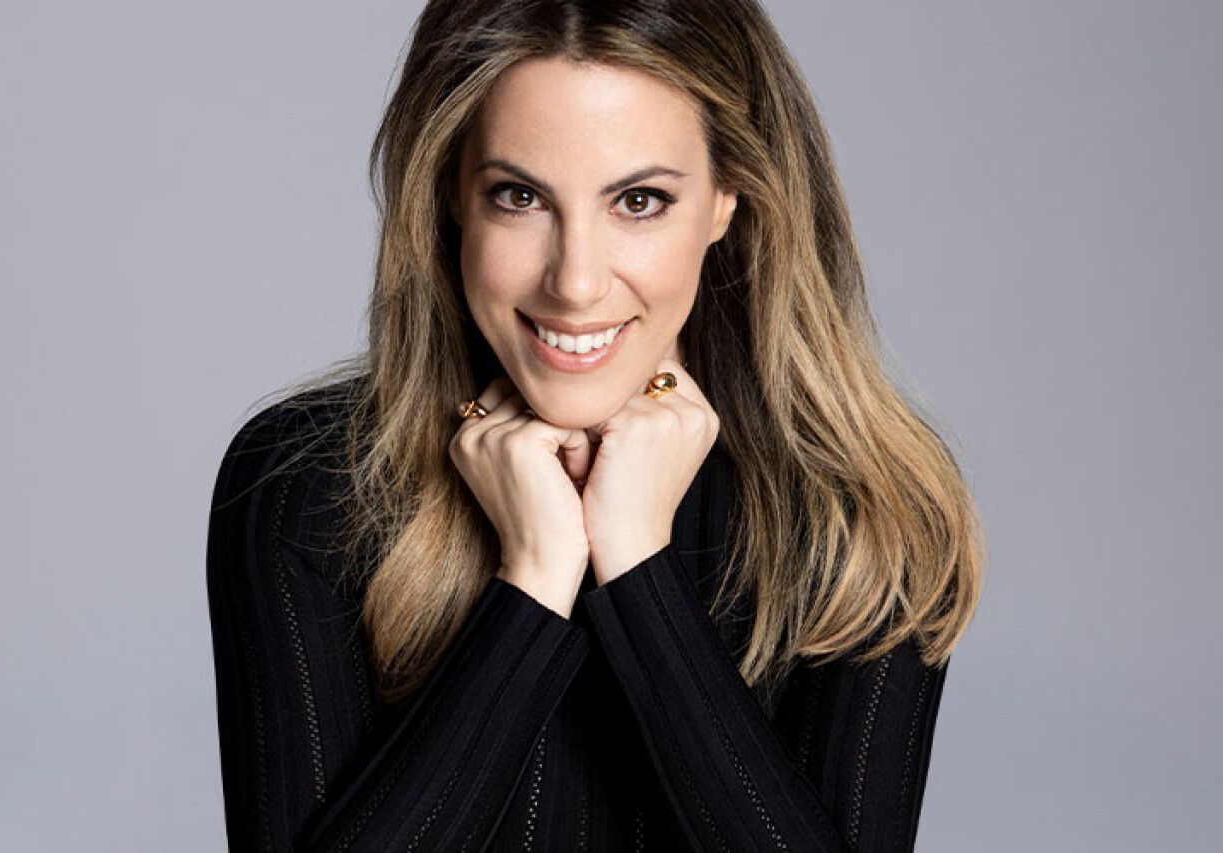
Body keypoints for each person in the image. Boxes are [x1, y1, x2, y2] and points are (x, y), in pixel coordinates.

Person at [206, 0, 985, 850]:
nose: (575, 283)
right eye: (519, 196)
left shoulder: (864, 514)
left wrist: (638, 564)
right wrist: (534, 579)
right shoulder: (305, 485)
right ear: (451, 194)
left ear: (726, 198)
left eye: (640, 200)